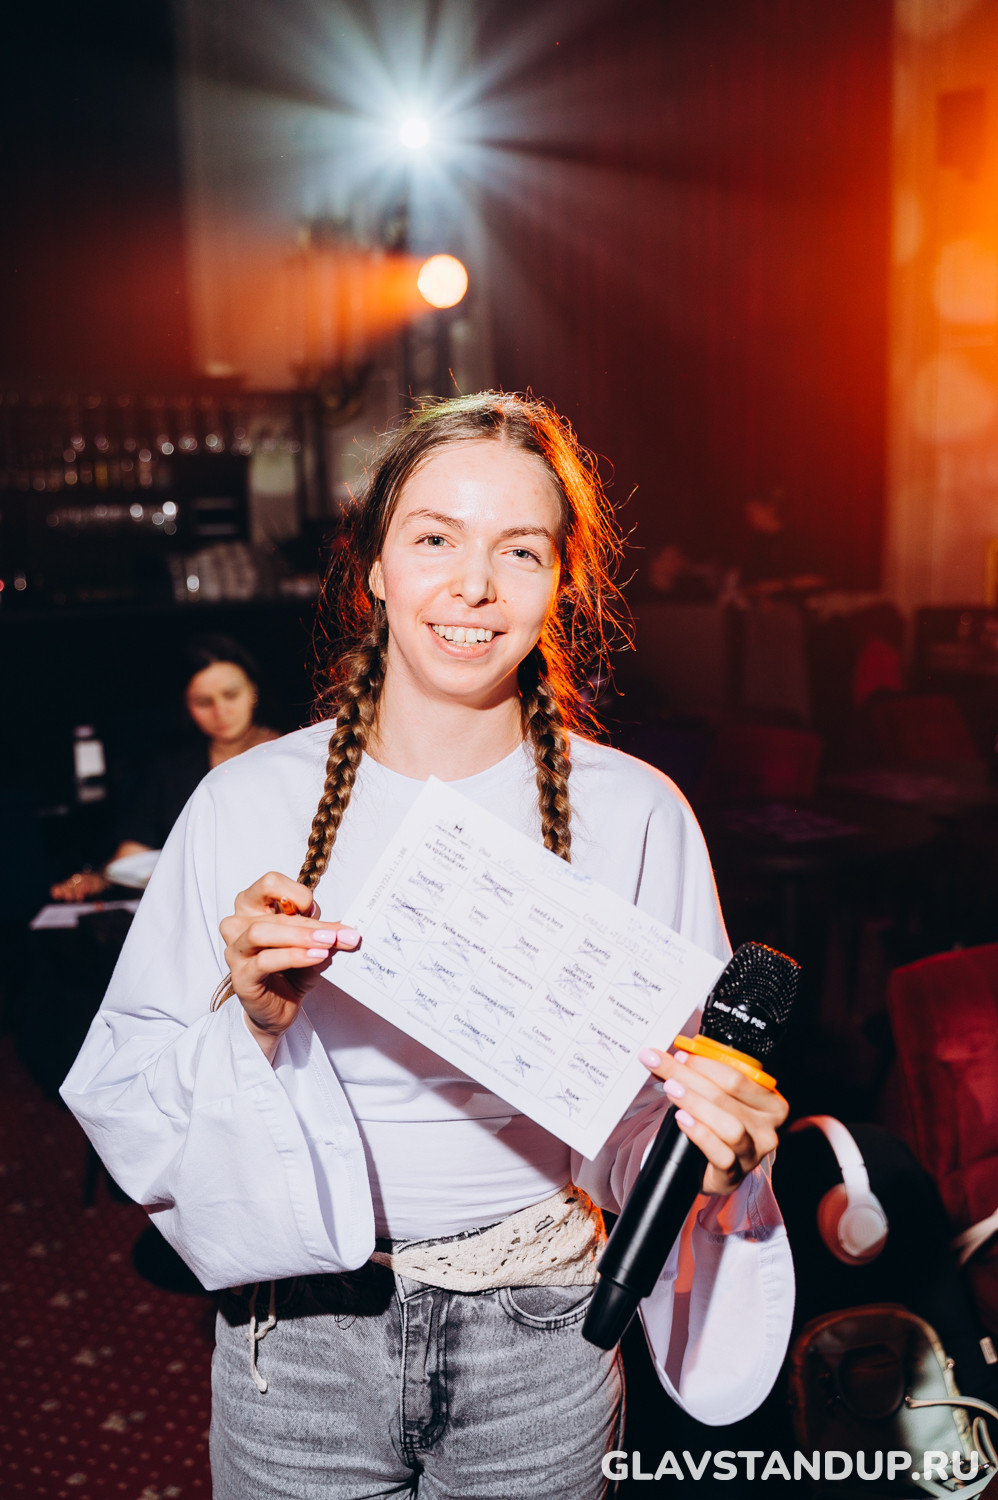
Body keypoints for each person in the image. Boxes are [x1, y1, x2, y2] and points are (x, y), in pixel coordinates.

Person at [62, 393, 792, 1499]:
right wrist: (249, 1023)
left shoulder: (637, 813)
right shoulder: (245, 802)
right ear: (373, 564)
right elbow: (125, 1096)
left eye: (520, 550)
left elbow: (643, 1133)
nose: (474, 586)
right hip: (297, 1340)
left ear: (560, 581)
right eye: (435, 538)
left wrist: (712, 1153)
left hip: (541, 1336)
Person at [50, 636, 278, 901]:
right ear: (187, 706)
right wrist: (98, 880)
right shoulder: (171, 767)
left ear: (253, 691)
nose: (220, 711)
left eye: (231, 695)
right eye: (203, 702)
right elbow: (134, 850)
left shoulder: (287, 753)